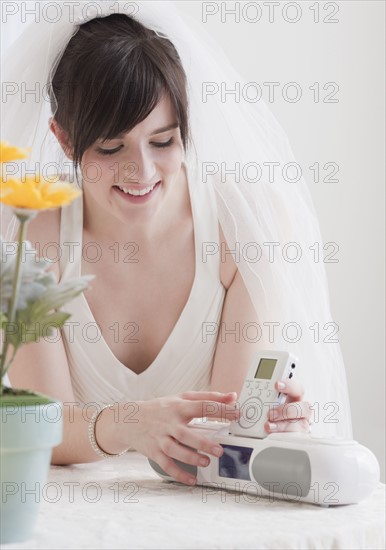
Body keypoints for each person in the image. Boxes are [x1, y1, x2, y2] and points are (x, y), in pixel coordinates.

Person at [1, 2, 352, 487]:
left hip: (208, 504)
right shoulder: (31, 239)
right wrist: (129, 424)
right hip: (74, 509)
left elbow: (227, 439)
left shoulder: (245, 223)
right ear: (63, 140)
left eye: (163, 142)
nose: (140, 172)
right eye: (109, 148)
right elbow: (42, 428)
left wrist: (271, 427)